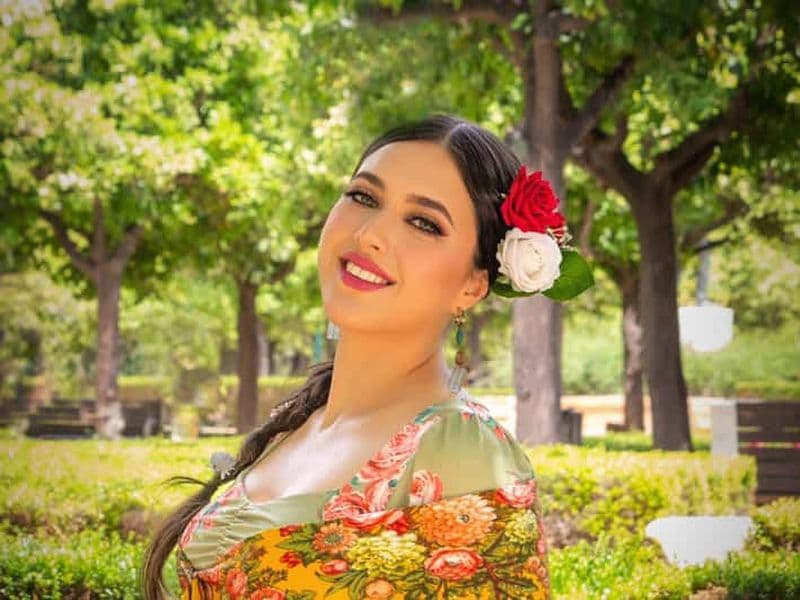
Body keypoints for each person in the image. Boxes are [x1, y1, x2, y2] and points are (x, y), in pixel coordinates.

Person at [141, 114, 591, 599]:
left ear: (472, 284)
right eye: (364, 197)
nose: (371, 233)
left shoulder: (463, 449)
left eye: (424, 222)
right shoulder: (299, 424)